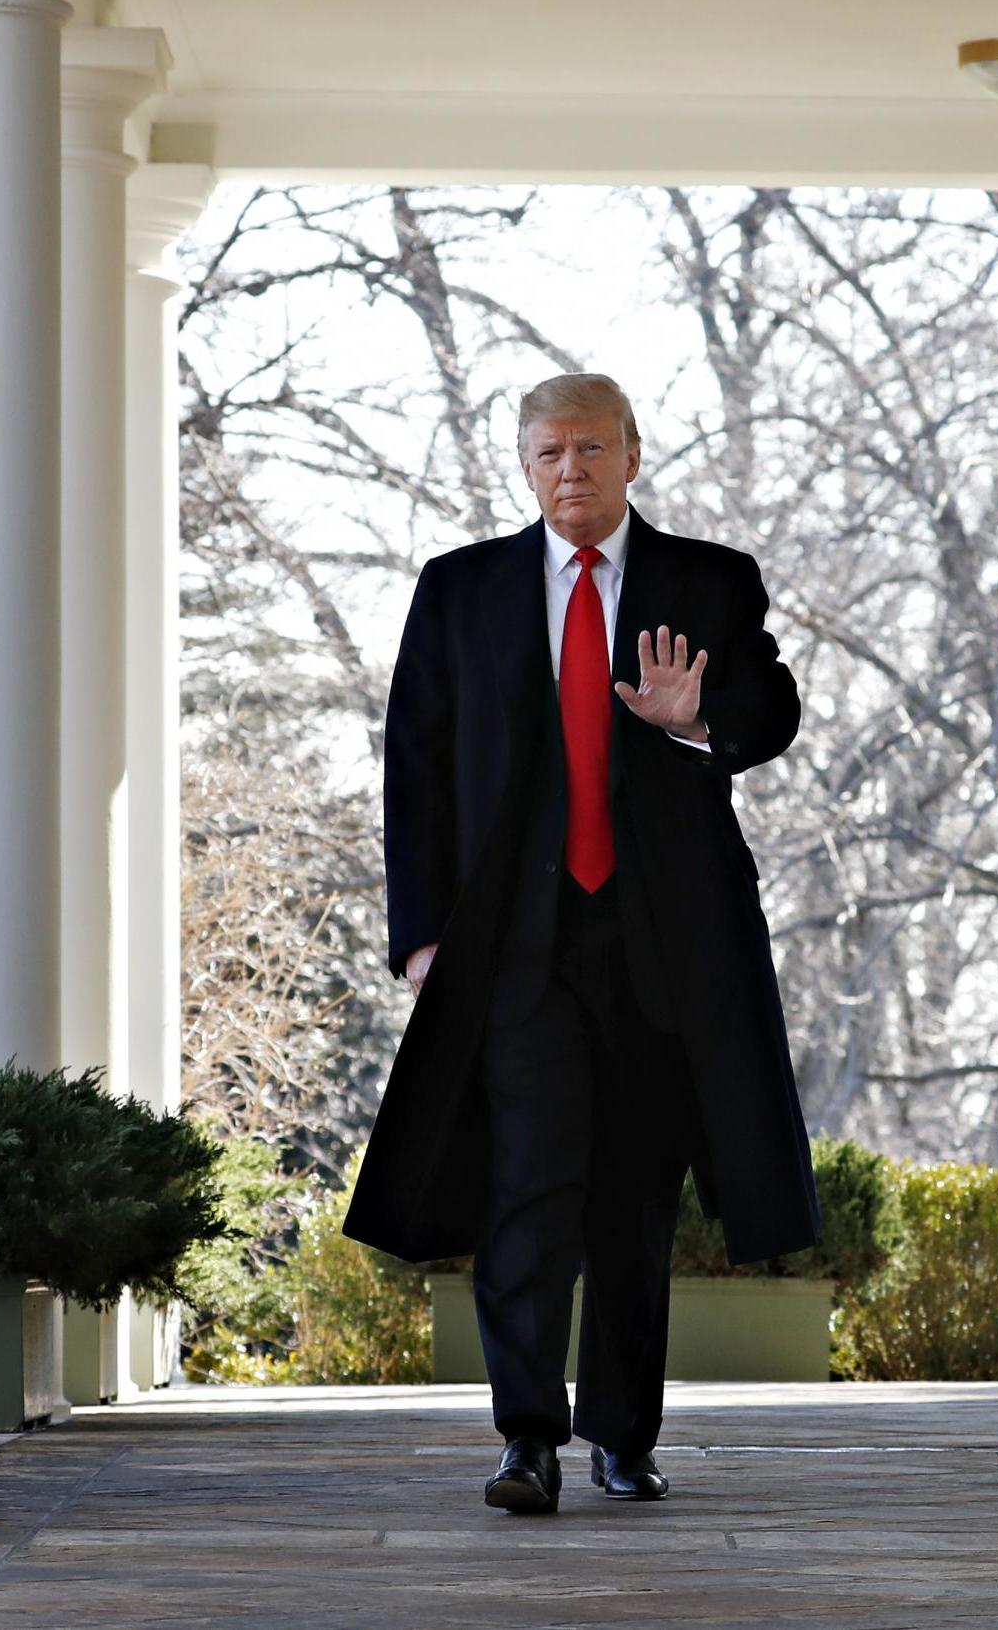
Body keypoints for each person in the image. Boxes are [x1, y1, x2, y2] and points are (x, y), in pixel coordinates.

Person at [342, 371, 820, 1514]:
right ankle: (525, 1440)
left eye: (594, 449)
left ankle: (620, 1435)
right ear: (524, 464)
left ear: (633, 456)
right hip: (514, 948)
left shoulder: (711, 580)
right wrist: (418, 938)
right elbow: (414, 766)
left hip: (664, 946)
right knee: (527, 1189)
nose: (573, 470)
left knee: (633, 1203)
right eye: (551, 452)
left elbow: (774, 710)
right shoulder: (458, 590)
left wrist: (690, 719)